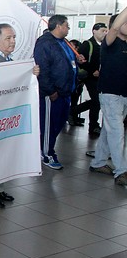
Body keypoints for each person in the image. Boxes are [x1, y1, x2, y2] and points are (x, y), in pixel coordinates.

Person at [0, 24, 39, 208]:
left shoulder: (11, 60)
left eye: (14, 37)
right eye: (9, 38)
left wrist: (30, 73)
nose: (13, 41)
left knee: (3, 153)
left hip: (6, 117)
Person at [33, 15, 77, 171]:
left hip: (65, 91)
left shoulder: (63, 42)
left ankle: (46, 148)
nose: (68, 28)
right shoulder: (45, 43)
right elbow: (43, 69)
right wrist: (50, 90)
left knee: (59, 123)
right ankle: (46, 154)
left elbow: (64, 63)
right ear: (58, 26)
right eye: (67, 25)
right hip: (53, 94)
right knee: (49, 125)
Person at [89, 11, 127, 185]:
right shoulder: (110, 42)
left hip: (124, 95)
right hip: (111, 94)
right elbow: (116, 27)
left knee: (109, 130)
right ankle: (122, 171)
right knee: (117, 132)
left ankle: (98, 162)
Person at [74, 23, 107, 136]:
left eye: (106, 31)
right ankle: (93, 126)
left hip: (100, 78)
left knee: (96, 101)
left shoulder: (104, 45)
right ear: (94, 31)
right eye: (102, 30)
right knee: (96, 101)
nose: (105, 33)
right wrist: (93, 70)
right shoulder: (87, 44)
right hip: (90, 78)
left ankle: (72, 112)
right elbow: (81, 61)